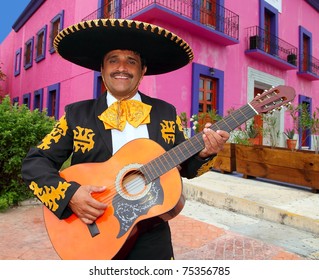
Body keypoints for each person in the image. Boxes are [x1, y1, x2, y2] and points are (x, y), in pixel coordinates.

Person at [21, 18, 229, 260]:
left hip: (152, 237)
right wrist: (70, 196)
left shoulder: (165, 112)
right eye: (113, 60)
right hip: (93, 234)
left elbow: (186, 168)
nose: (122, 67)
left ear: (142, 71)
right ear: (102, 69)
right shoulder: (76, 114)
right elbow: (34, 164)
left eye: (131, 61)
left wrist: (205, 152)